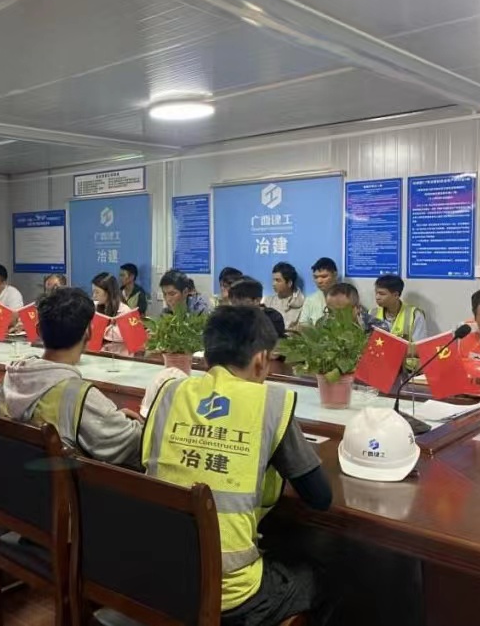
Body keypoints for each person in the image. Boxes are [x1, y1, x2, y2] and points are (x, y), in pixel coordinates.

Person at [142, 306, 331, 625]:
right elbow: (320, 497)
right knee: (323, 575)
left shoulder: (170, 392)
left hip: (163, 572)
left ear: (207, 354)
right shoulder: (270, 403)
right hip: (229, 594)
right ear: (261, 359)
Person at [0, 287, 141, 465]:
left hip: (9, 477)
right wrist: (120, 421)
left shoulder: (8, 379)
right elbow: (132, 442)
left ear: (39, 330)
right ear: (89, 332)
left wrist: (105, 418)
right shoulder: (78, 395)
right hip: (63, 481)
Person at [370, 275, 427, 343]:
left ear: (396, 295)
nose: (377, 297)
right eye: (376, 293)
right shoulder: (372, 313)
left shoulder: (414, 315)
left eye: (382, 294)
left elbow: (419, 345)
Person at [91, 272, 132, 347]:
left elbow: (121, 335)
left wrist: (98, 329)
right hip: (99, 350)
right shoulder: (95, 306)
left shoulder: (124, 310)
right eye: (93, 292)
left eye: (97, 292)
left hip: (119, 351)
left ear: (109, 292)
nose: (94, 296)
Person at [263, 262, 305, 331]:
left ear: (289, 283)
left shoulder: (303, 303)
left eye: (278, 280)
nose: (273, 284)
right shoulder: (268, 301)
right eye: (273, 280)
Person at [299, 258, 338, 326]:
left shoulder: (345, 297)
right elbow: (302, 325)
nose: (319, 281)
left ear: (335, 275)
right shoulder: (310, 300)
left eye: (324, 276)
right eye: (316, 277)